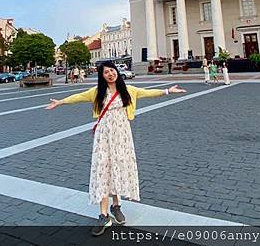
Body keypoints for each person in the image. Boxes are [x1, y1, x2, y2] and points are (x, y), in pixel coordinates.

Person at [46, 62, 186, 236]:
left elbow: (148, 93)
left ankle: (116, 205)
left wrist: (167, 91)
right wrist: (60, 102)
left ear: (117, 72)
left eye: (112, 70)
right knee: (103, 170)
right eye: (106, 72)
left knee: (117, 168)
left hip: (122, 136)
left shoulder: (129, 90)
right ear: (102, 76)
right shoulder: (97, 92)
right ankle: (103, 215)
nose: (110, 74)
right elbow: (79, 97)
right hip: (104, 136)